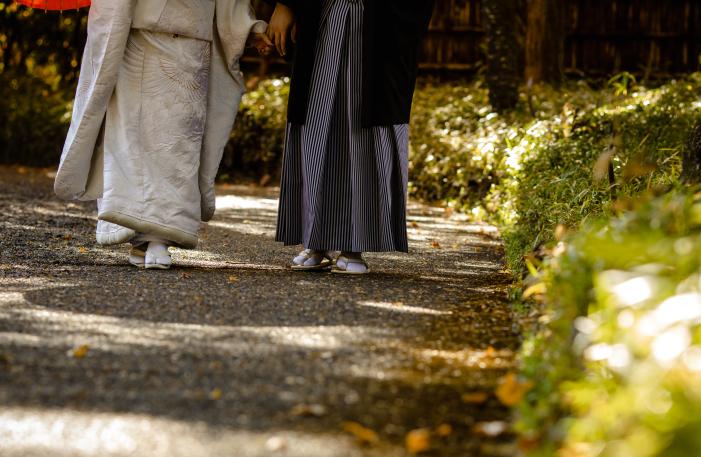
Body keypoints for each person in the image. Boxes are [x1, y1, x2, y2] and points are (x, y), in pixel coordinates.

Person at [54, 0, 272, 269]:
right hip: (137, 38)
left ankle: (155, 238)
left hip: (191, 44)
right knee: (129, 143)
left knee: (178, 145)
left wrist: (247, 26)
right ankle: (143, 239)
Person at [264, 0, 437, 274]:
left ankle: (354, 244)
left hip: (379, 20)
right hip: (324, 13)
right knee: (318, 121)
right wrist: (285, 4)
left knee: (361, 130)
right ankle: (314, 240)